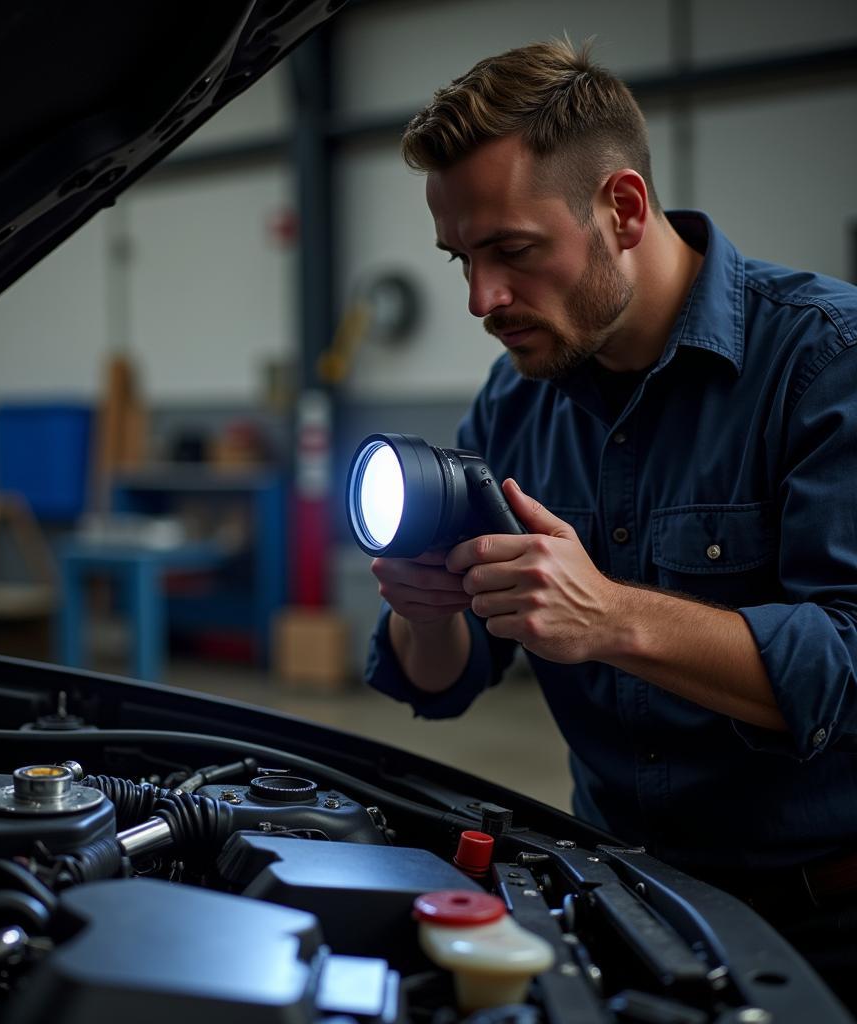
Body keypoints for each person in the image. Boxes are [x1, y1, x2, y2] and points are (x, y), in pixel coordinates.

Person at [363, 38, 857, 1002]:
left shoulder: (825, 362)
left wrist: (613, 618)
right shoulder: (513, 407)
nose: (481, 299)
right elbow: (448, 682)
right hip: (627, 897)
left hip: (828, 926)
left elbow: (849, 660)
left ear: (623, 209)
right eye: (462, 258)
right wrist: (425, 611)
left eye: (511, 250)